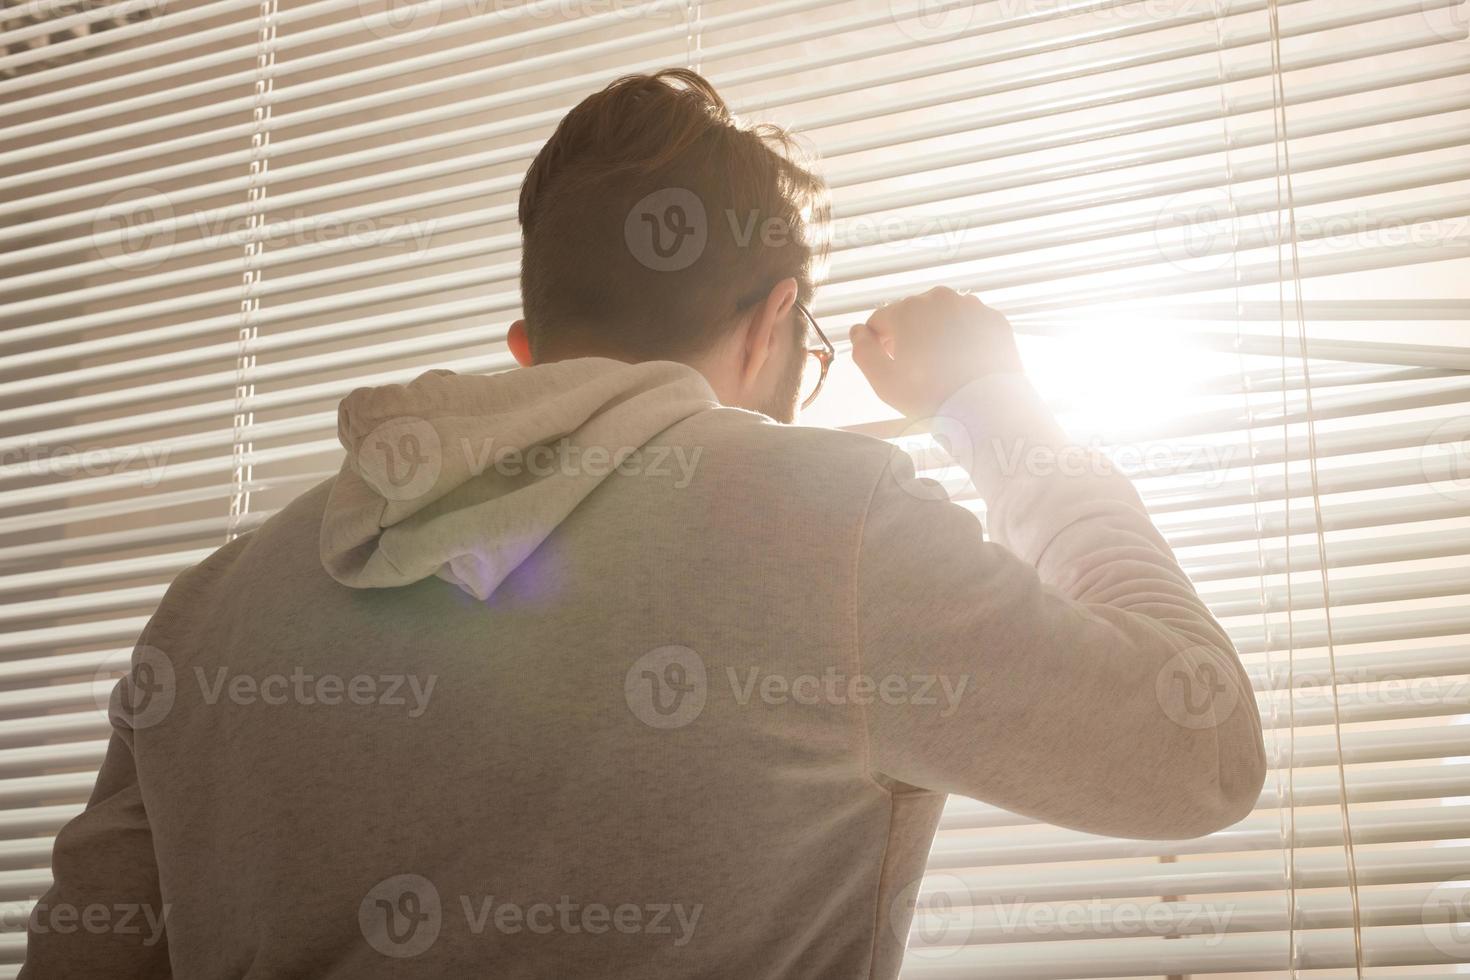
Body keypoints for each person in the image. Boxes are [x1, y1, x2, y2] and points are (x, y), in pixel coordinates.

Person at [23, 69, 1264, 979]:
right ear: (775, 323)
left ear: (526, 347)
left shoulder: (208, 606)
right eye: (807, 353)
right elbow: (1195, 748)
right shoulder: (833, 523)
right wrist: (994, 401)